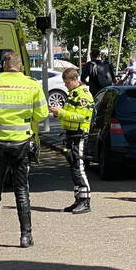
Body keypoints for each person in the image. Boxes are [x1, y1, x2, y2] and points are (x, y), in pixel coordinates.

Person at [0, 50, 49, 248]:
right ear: (21, 66)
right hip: (22, 143)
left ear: (3, 66)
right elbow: (42, 114)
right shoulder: (32, 85)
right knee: (21, 190)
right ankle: (25, 237)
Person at [50, 67, 94, 214]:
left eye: (67, 82)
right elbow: (70, 115)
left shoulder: (83, 95)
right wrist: (58, 114)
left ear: (75, 80)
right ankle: (78, 200)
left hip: (79, 135)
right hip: (71, 135)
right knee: (74, 167)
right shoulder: (73, 94)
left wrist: (61, 112)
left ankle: (85, 201)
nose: (65, 85)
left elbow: (82, 117)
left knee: (79, 168)